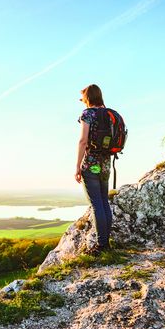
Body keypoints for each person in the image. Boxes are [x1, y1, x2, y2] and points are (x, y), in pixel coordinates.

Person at [75, 84, 113, 255]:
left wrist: (77, 166)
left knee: (96, 204)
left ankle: (101, 245)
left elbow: (83, 141)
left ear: (88, 98)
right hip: (105, 164)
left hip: (91, 164)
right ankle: (106, 243)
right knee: (104, 202)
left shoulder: (88, 114)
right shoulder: (109, 114)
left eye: (83, 98)